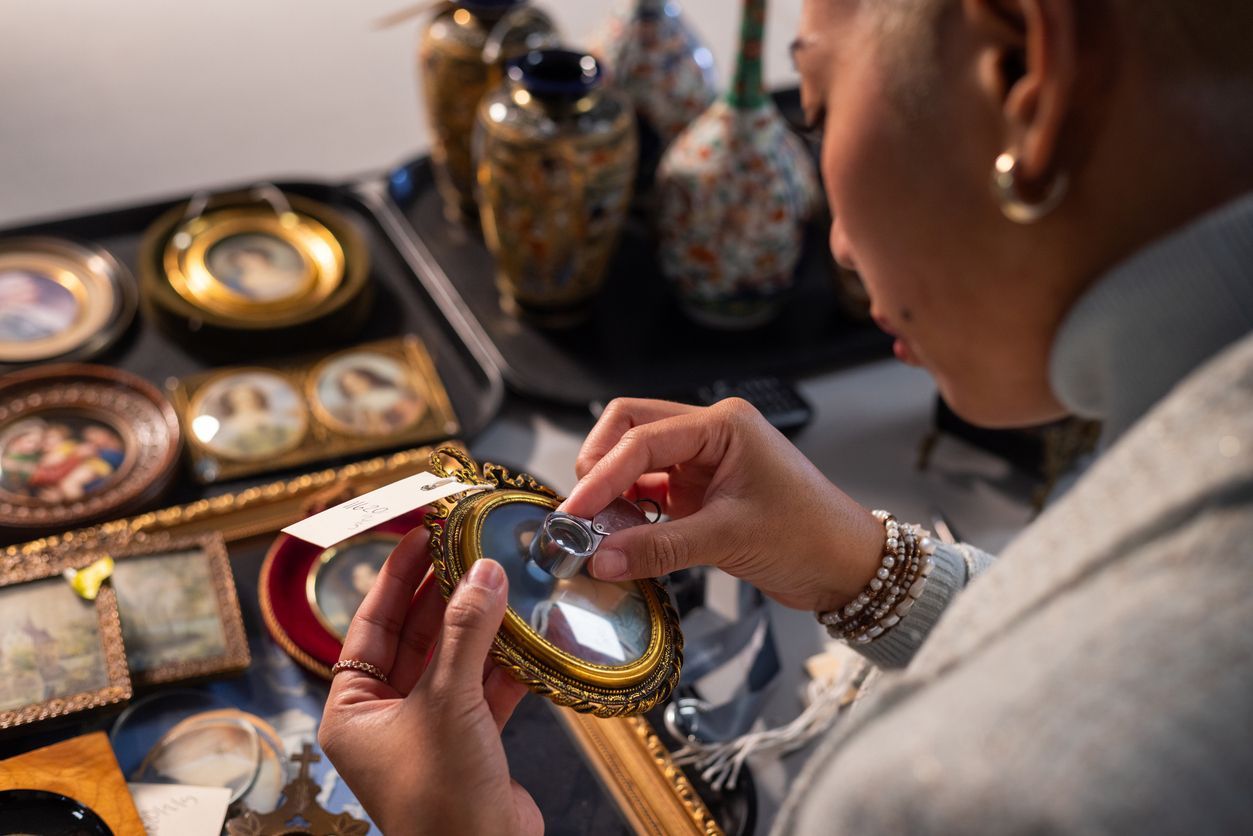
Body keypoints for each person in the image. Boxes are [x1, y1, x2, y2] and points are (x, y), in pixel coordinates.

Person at [318, 1, 1253, 832]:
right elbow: (1074, 659)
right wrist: (868, 568)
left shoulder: (968, 789)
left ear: (1021, 73)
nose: (835, 246)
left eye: (817, 107)